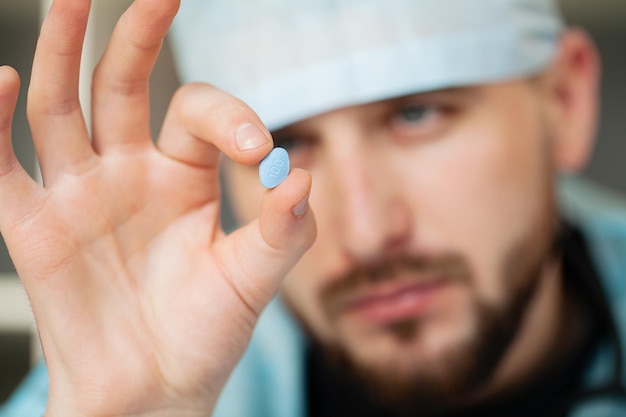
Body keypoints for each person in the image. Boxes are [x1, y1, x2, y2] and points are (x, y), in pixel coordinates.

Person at [1, 0, 626, 415]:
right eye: (289, 141)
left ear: (566, 102)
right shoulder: (130, 372)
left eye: (417, 114)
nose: (366, 232)